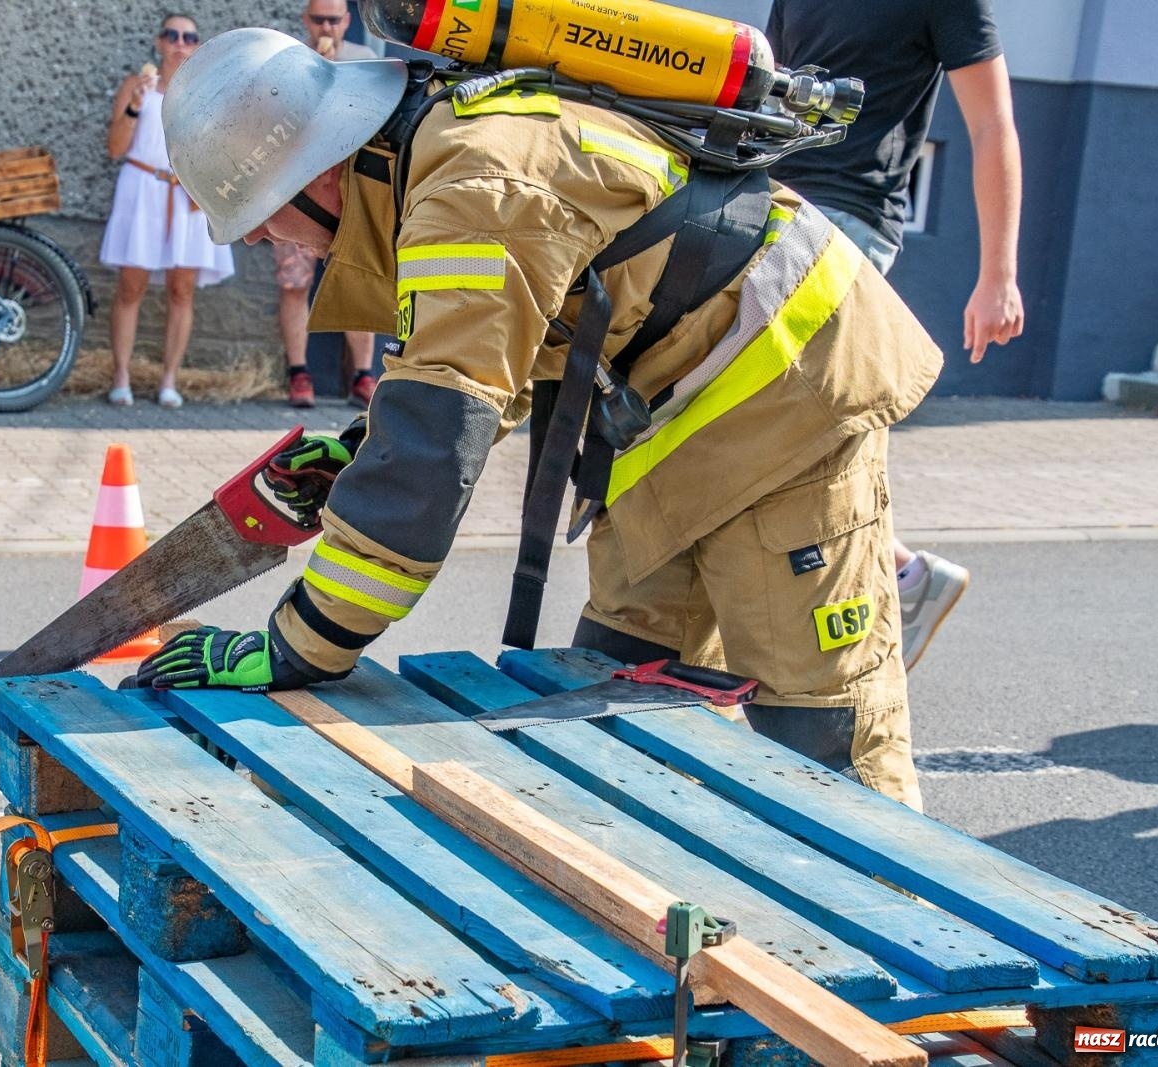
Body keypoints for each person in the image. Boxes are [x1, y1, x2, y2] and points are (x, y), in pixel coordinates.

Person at [146, 28, 946, 809]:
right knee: (615, 687)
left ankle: (906, 925)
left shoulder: (469, 188)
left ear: (317, 176)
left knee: (819, 734)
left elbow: (427, 467)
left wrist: (297, 647)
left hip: (785, 392)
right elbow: (479, 370)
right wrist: (362, 452)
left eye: (255, 213)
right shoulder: (437, 162)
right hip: (668, 414)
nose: (254, 235)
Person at [766, 0, 1025, 671]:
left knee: (778, 421)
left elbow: (993, 126)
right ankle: (901, 575)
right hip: (767, 203)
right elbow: (766, 91)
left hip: (850, 219)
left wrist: (998, 276)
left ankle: (891, 581)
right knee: (777, 430)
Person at [99, 13, 234, 408]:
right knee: (131, 285)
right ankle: (121, 374)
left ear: (197, 46)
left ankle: (169, 379)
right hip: (142, 189)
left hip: (186, 192)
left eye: (189, 37)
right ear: (159, 42)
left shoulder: (207, 93)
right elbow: (114, 148)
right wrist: (135, 106)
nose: (179, 42)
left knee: (182, 289)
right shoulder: (136, 85)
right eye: (172, 35)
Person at [275, 0, 379, 409]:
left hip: (351, 192)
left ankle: (363, 375)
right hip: (298, 193)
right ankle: (299, 374)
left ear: (347, 22)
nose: (326, 27)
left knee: (356, 280)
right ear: (306, 20)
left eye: (334, 20)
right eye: (318, 19)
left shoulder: (365, 60)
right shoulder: (291, 61)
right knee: (294, 283)